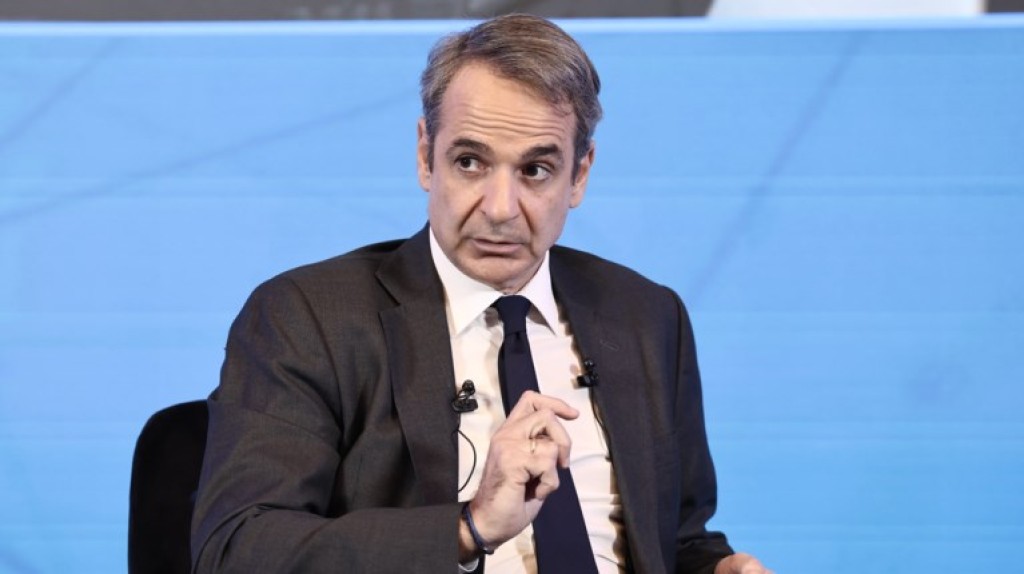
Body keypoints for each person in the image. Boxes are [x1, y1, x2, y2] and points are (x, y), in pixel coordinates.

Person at [191, 13, 771, 574]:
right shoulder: (309, 318)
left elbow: (678, 540)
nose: (499, 209)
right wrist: (468, 528)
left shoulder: (646, 316)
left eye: (535, 170)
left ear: (580, 175)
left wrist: (719, 568)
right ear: (426, 156)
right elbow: (238, 549)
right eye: (470, 162)